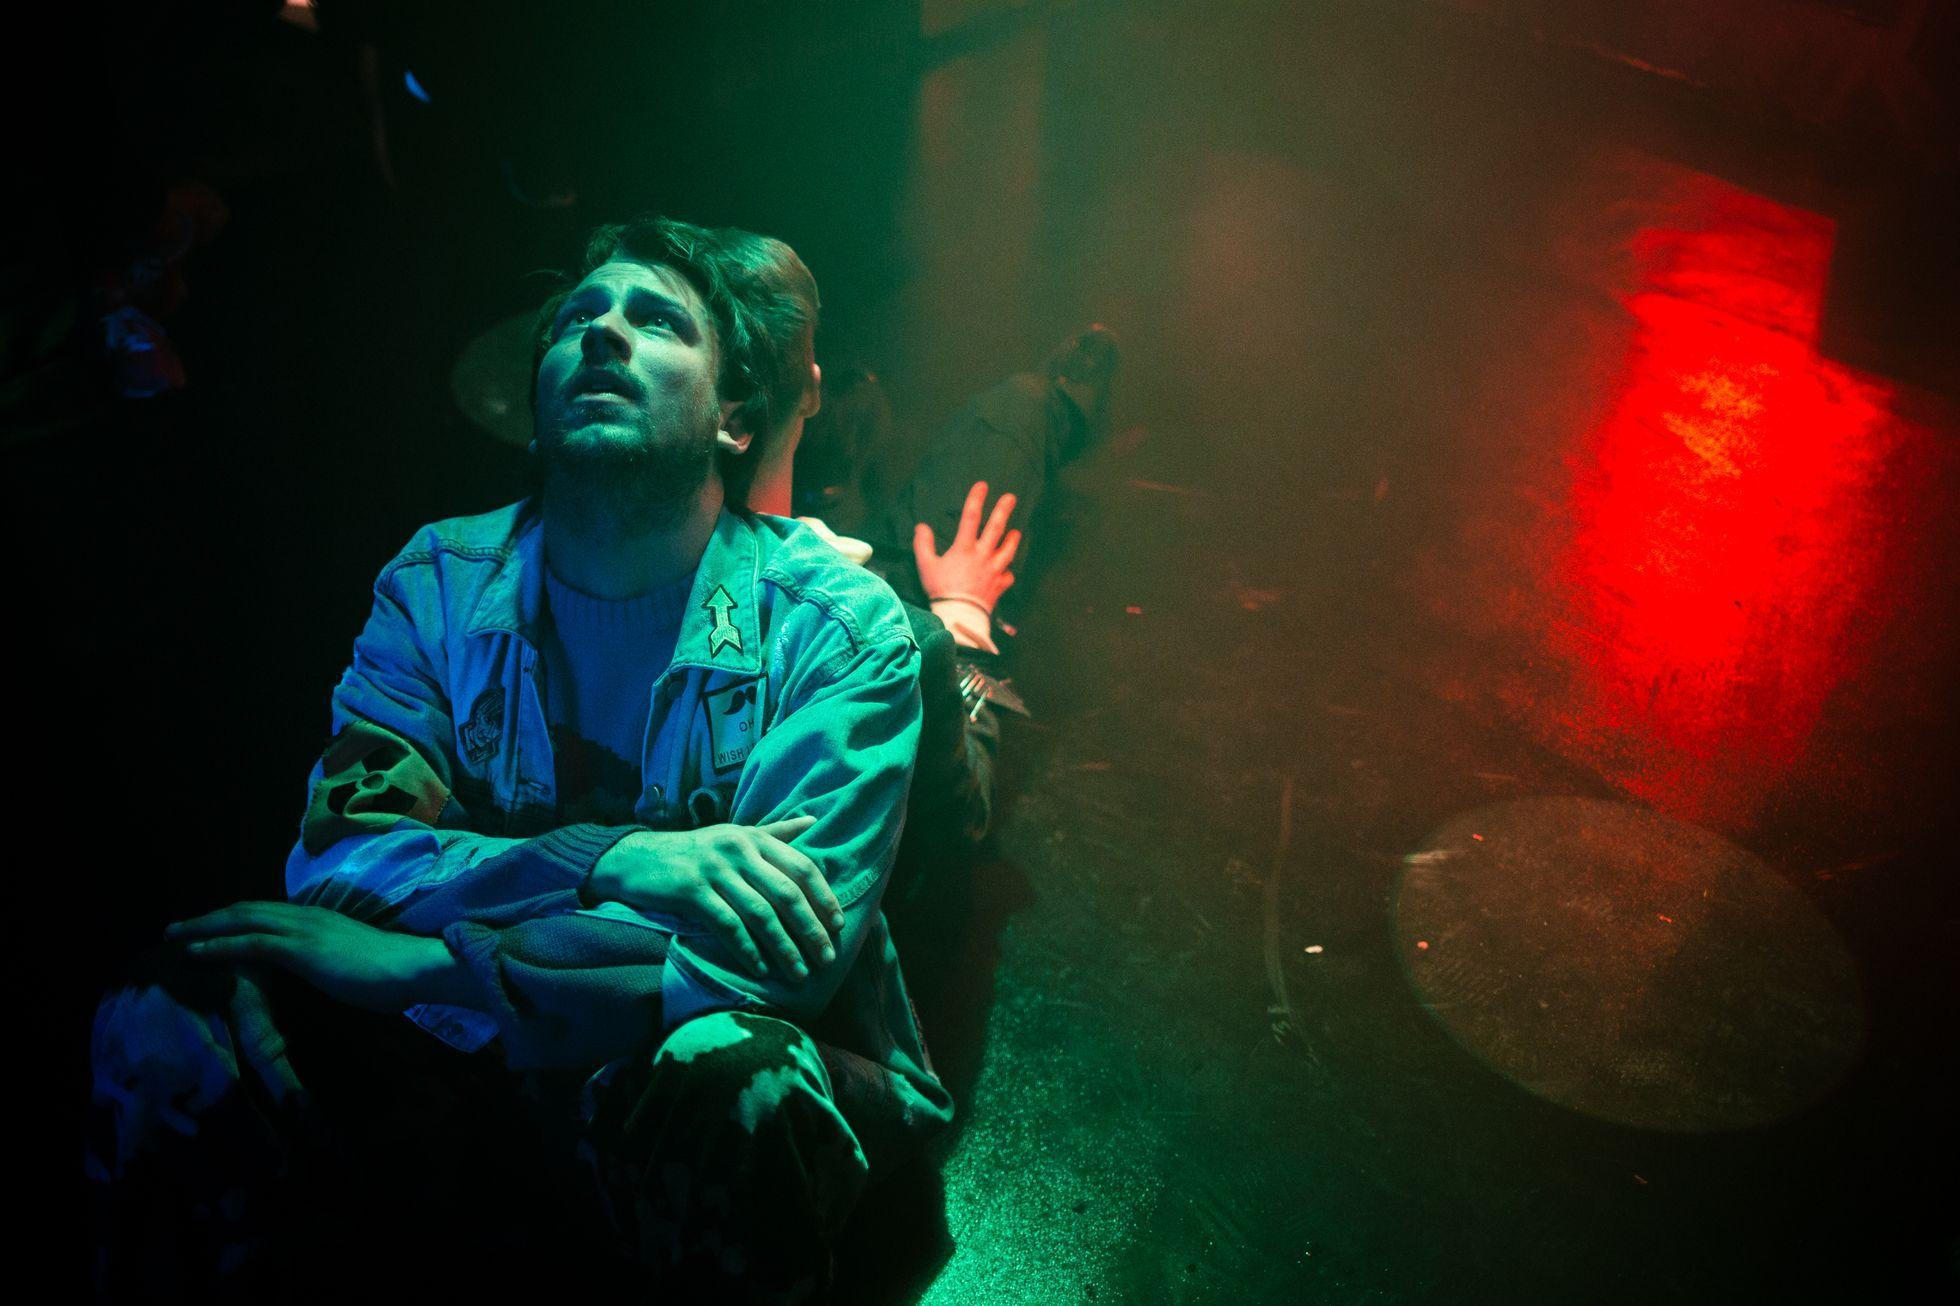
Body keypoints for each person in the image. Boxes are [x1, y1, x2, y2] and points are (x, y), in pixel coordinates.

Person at [89, 216, 951, 1303]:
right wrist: (607, 857)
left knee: (736, 1066)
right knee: (168, 1011)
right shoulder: (437, 584)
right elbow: (347, 858)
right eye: (579, 318)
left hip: (675, 1064)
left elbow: (768, 965)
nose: (603, 335)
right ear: (535, 404)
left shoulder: (839, 625)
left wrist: (428, 967)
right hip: (474, 1063)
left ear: (735, 417)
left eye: (657, 321)